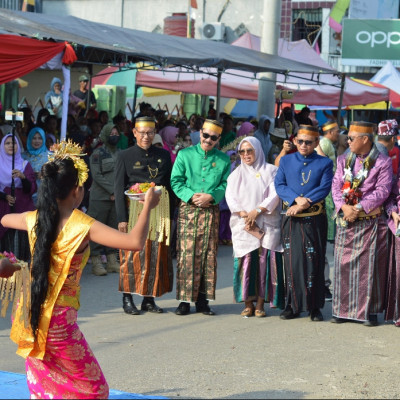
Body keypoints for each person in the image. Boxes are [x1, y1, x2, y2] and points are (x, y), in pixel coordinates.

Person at [1, 140, 160, 398]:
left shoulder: (34, 219)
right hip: (58, 319)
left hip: (29, 311)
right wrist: (148, 207)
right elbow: (134, 242)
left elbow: (6, 219)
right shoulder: (82, 225)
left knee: (45, 383)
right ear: (77, 191)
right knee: (94, 389)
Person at [331, 121, 392, 326]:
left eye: (351, 138)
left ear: (365, 139)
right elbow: (336, 186)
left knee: (370, 268)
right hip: (347, 220)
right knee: (342, 265)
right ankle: (342, 310)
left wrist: (358, 208)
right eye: (347, 138)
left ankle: (369, 312)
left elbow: (383, 191)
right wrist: (344, 207)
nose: (347, 141)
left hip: (370, 221)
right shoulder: (343, 159)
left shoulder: (382, 162)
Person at [114, 116, 174, 315]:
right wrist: (122, 219)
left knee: (154, 254)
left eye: (150, 132)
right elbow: (118, 188)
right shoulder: (124, 156)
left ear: (155, 132)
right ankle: (127, 297)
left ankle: (149, 298)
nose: (146, 137)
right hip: (134, 211)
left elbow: (169, 185)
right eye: (142, 132)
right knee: (131, 254)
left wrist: (171, 215)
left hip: (159, 210)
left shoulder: (164, 155)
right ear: (134, 133)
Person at [170, 119, 231, 316]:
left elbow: (224, 184)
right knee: (187, 255)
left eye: (213, 138)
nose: (208, 140)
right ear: (200, 133)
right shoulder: (185, 154)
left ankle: (203, 301)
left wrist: (212, 196)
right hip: (189, 210)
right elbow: (176, 181)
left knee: (208, 255)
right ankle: (184, 300)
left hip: (211, 210)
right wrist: (191, 196)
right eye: (205, 135)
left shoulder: (223, 159)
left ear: (218, 139)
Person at [275, 125, 333, 321]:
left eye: (308, 142)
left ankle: (315, 306)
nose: (303, 145)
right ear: (295, 140)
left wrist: (305, 202)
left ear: (316, 143)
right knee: (293, 262)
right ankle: (292, 305)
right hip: (291, 219)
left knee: (315, 261)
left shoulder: (324, 162)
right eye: (300, 141)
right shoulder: (286, 160)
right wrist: (295, 199)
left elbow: (325, 187)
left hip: (314, 218)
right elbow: (279, 185)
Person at [226, 137, 284, 317]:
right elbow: (231, 198)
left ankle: (260, 303)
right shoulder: (235, 174)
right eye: (242, 152)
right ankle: (247, 303)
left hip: (266, 222)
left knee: (263, 263)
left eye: (249, 150)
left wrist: (257, 211)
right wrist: (245, 214)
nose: (245, 155)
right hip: (244, 224)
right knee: (245, 262)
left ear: (258, 150)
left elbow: (275, 194)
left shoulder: (271, 171)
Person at [87, 123, 121, 276]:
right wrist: (112, 190)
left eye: (116, 133)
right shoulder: (97, 153)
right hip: (100, 198)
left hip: (116, 198)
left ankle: (112, 260)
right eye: (112, 133)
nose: (115, 135)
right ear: (106, 135)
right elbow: (97, 175)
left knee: (113, 229)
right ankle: (96, 262)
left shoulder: (121, 153)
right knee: (97, 230)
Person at [0, 134, 37, 261]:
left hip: (23, 207)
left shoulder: (25, 164)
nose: (11, 146)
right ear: (2, 146)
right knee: (6, 241)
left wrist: (23, 177)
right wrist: (5, 196)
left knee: (23, 241)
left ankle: (22, 273)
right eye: (7, 143)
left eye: (14, 143)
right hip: (3, 208)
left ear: (18, 145)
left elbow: (31, 189)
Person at [316, 120, 340, 301]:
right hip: (325, 199)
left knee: (324, 247)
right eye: (337, 130)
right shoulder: (324, 144)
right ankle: (322, 285)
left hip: (329, 198)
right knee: (322, 247)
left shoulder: (329, 144)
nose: (339, 133)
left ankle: (324, 285)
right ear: (330, 131)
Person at [22, 127, 50, 205]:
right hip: (26, 196)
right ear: (30, 139)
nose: (37, 141)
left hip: (44, 196)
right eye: (34, 138)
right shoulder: (22, 156)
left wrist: (44, 175)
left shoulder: (50, 156)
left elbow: (56, 176)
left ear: (44, 139)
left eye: (40, 138)